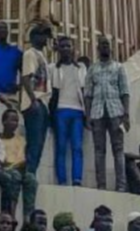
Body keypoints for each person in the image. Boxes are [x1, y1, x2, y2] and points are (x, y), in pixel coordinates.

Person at [84, 35, 130, 192]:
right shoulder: (92, 69)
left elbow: (125, 92)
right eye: (102, 45)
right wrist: (88, 115)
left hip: (116, 112)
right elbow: (88, 94)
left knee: (118, 150)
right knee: (99, 150)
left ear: (111, 48)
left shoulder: (119, 67)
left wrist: (126, 115)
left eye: (107, 44)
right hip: (97, 113)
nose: (104, 47)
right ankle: (101, 185)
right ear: (98, 48)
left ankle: (121, 186)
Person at [50, 35, 87, 186]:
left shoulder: (81, 68)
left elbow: (85, 91)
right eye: (63, 46)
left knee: (77, 147)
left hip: (78, 111)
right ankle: (62, 180)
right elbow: (52, 92)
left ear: (73, 49)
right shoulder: (53, 68)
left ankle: (77, 179)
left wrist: (88, 115)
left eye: (68, 46)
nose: (66, 49)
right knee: (61, 147)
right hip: (60, 111)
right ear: (58, 49)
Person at [20, 24, 52, 176]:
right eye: (42, 35)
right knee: (34, 142)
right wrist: (33, 100)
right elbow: (26, 78)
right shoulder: (30, 54)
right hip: (35, 104)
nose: (46, 38)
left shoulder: (41, 55)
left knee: (39, 144)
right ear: (33, 38)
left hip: (43, 103)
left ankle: (31, 173)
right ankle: (29, 174)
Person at [0, 108, 37, 222]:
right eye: (13, 120)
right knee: (15, 176)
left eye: (17, 121)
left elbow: (21, 160)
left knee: (31, 179)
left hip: (18, 169)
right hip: (3, 171)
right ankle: (12, 215)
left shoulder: (21, 140)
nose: (15, 123)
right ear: (4, 122)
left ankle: (28, 218)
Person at [0, 21, 23, 108]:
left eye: (5, 28)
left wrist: (20, 86)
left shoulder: (16, 52)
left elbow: (25, 73)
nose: (3, 30)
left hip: (11, 96)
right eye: (0, 28)